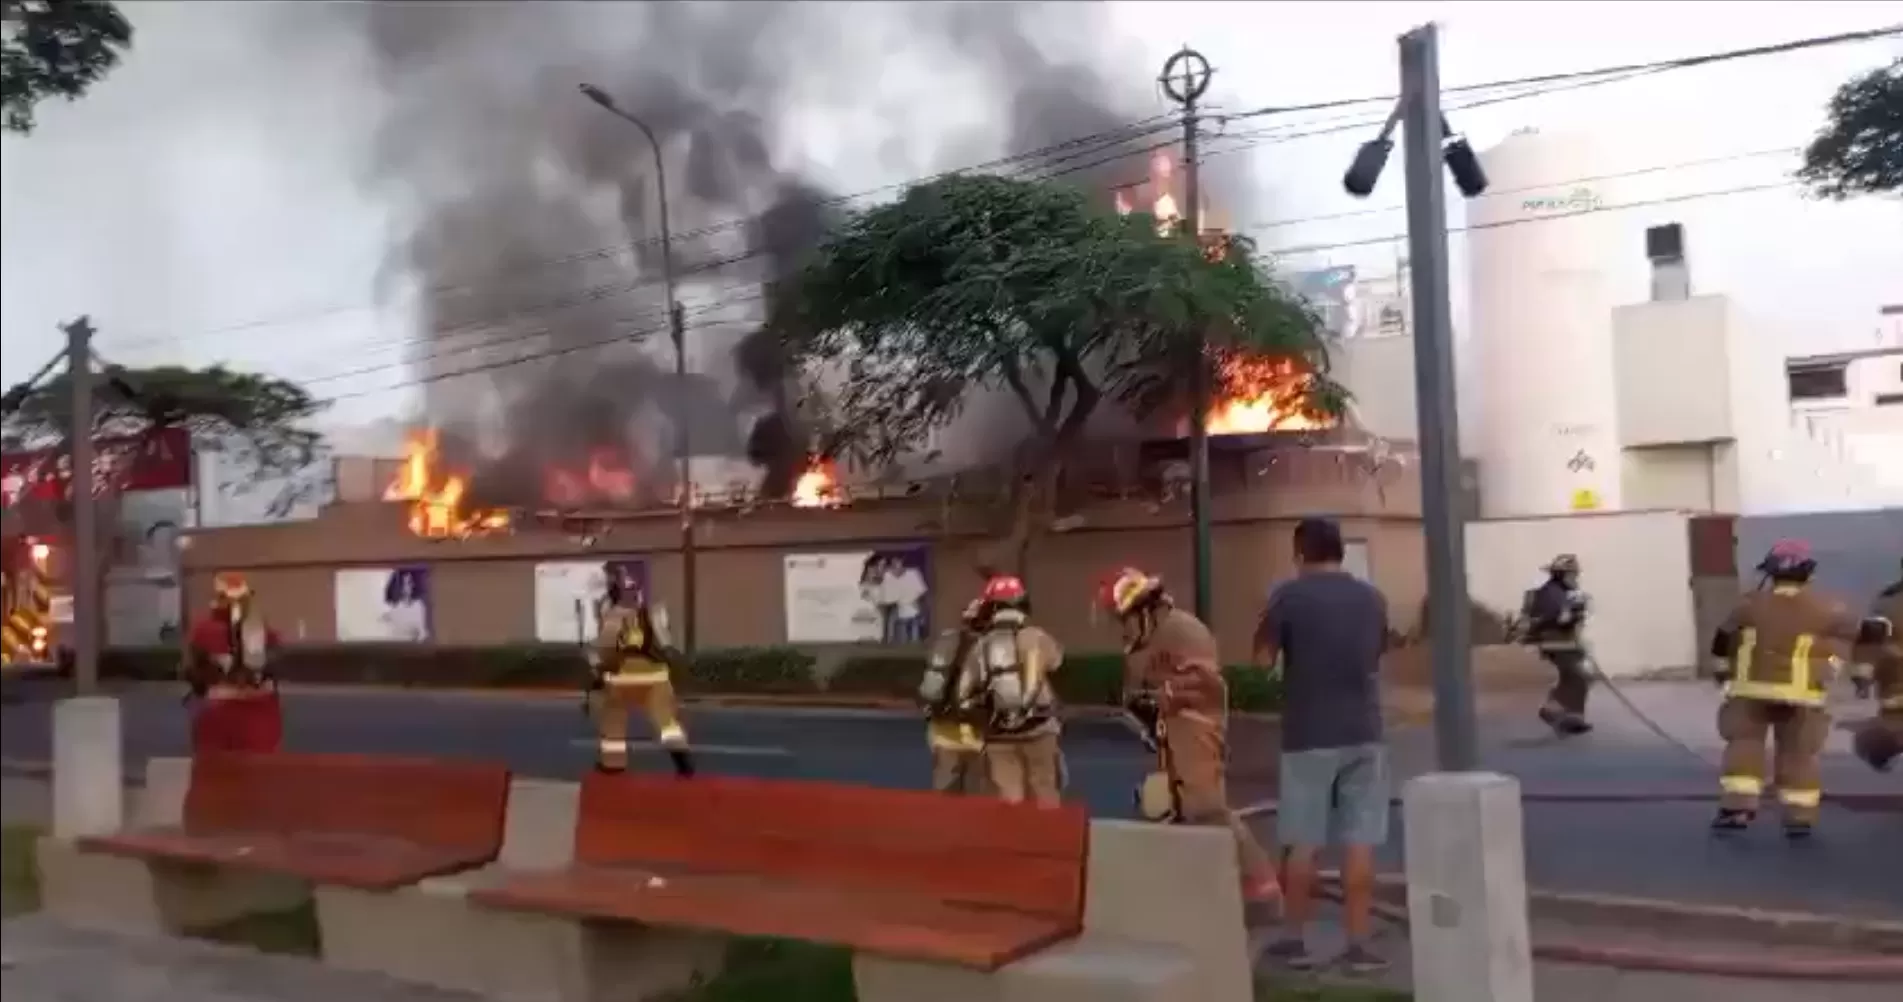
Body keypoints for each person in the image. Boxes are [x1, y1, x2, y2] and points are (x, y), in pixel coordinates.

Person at [1102, 566, 1282, 938]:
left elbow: (1209, 688)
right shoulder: (1146, 639)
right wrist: (1142, 707)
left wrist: (1164, 699)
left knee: (1206, 805)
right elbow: (1137, 688)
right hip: (1171, 729)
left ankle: (1261, 884)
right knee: (1177, 806)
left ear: (1144, 609)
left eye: (1124, 618)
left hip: (1196, 725)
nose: (1121, 627)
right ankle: (1202, 889)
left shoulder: (1184, 631)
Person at [1249, 517, 1392, 972]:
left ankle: (1295, 941)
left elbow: (1261, 660)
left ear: (1300, 553)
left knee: (1304, 841)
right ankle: (1358, 945)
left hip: (1309, 733)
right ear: (1341, 551)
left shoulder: (1288, 596)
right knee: (1360, 841)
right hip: (1365, 732)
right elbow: (1375, 654)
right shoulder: (1372, 598)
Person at [1708, 540, 1892, 837]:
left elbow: (1721, 641)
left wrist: (1721, 674)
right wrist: (1860, 675)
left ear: (1770, 574)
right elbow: (1872, 632)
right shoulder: (1827, 609)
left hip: (1749, 693)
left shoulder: (1748, 605)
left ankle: (1737, 808)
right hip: (1804, 696)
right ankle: (1799, 815)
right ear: (1809, 575)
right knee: (1799, 754)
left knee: (1745, 746)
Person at [959, 574, 1065, 807]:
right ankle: (1051, 838)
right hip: (1040, 726)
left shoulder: (981, 645)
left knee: (1008, 794)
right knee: (1045, 787)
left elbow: (965, 690)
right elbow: (1057, 663)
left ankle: (1015, 838)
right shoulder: (1036, 635)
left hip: (999, 732)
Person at [589, 563, 696, 778]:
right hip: (656, 678)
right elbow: (667, 645)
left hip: (621, 679)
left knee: (613, 719)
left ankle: (613, 764)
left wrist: (597, 672)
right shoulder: (654, 612)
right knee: (666, 721)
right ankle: (681, 757)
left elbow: (606, 650)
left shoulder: (613, 616)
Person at [183, 572, 284, 755]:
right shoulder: (263, 629)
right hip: (260, 713)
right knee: (260, 772)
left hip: (218, 712)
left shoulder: (203, 630)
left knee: (217, 773)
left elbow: (192, 673)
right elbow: (275, 668)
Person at [919, 597, 992, 795]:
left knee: (944, 793)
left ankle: (943, 825)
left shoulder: (946, 639)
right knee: (976, 796)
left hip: (942, 730)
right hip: (976, 733)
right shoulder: (992, 648)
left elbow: (930, 685)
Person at [1517, 553, 1594, 735]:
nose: (1575, 578)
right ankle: (1558, 711)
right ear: (1562, 574)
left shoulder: (1553, 592)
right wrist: (1576, 611)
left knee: (1573, 677)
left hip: (1559, 642)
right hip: (1556, 642)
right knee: (1579, 677)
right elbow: (1559, 618)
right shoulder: (1553, 594)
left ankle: (1566, 714)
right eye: (1572, 574)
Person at [1850, 558, 1902, 772]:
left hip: (1896, 687)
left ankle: (1882, 754)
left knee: (1877, 738)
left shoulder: (1886, 602)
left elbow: (1868, 645)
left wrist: (1862, 678)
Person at [884, 554, 930, 644]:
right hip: (897, 611)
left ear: (902, 562)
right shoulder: (888, 575)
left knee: (914, 638)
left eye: (897, 562)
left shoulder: (913, 574)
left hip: (913, 610)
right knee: (899, 639)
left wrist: (921, 609)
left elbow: (922, 592)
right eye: (893, 564)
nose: (895, 566)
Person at [380, 568, 430, 642]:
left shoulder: (418, 606)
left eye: (410, 582)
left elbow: (423, 634)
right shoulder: (394, 606)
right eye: (406, 582)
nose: (409, 586)